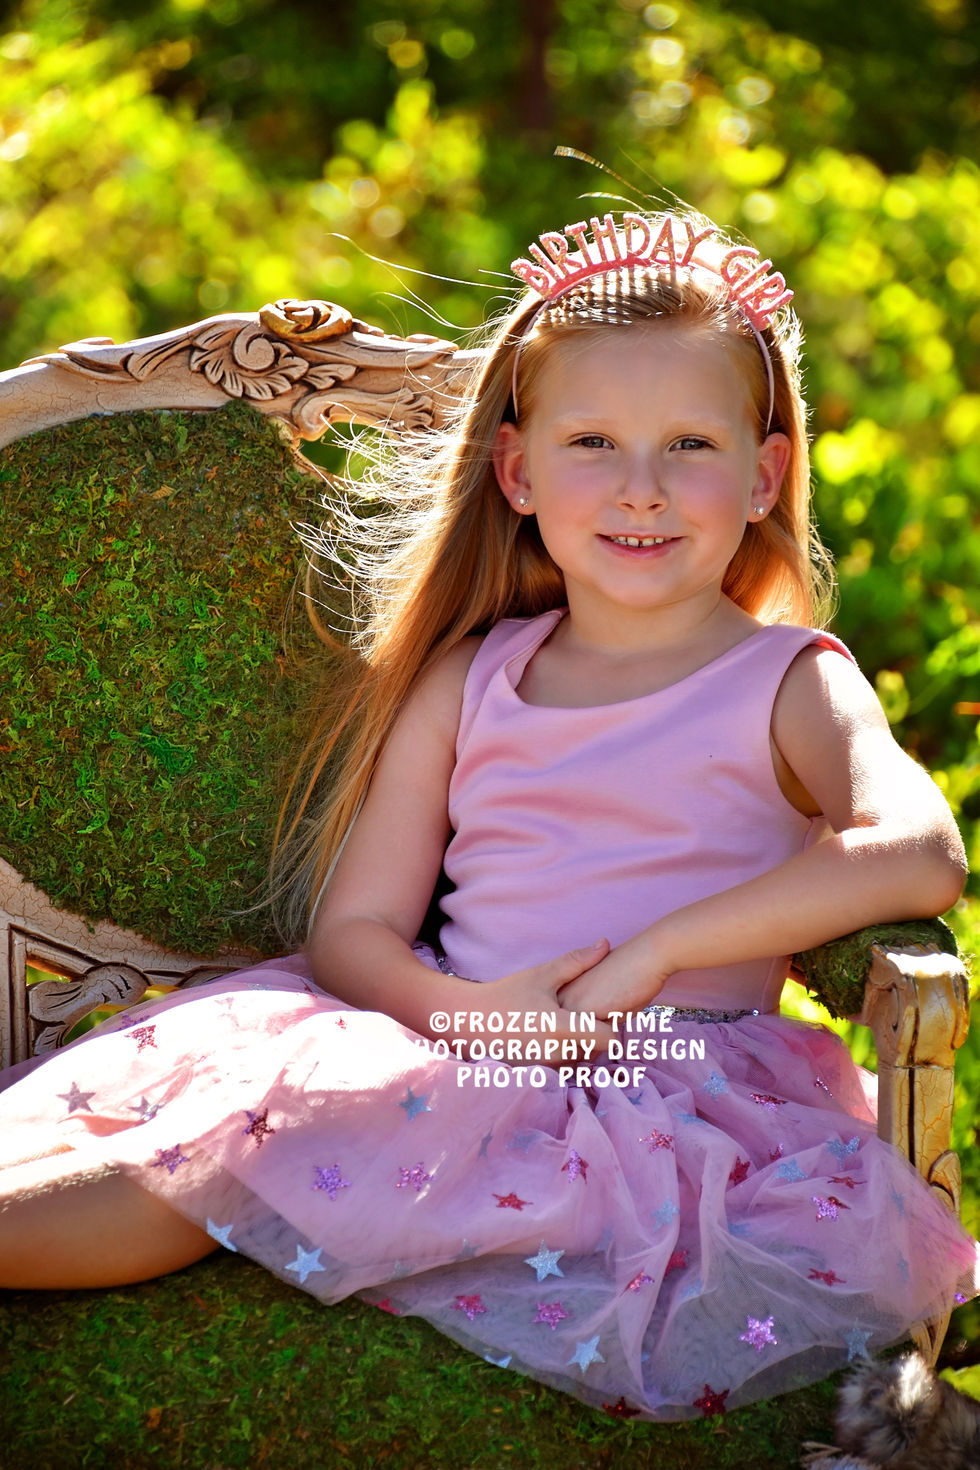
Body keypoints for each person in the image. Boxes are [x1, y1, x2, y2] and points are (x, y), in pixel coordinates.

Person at [0, 207, 976, 1421]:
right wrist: (471, 1017)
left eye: (688, 444)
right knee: (189, 1127)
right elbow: (355, 930)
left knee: (228, 1160)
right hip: (451, 1031)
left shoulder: (786, 682)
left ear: (762, 474)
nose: (640, 488)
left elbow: (918, 854)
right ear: (516, 471)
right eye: (590, 443)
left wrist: (658, 950)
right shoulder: (475, 678)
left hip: (658, 1087)